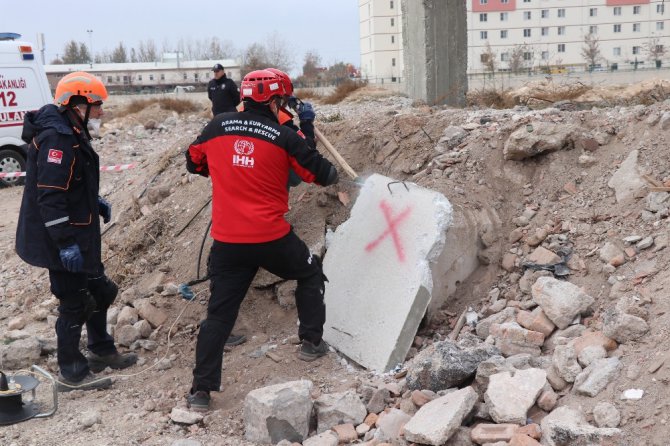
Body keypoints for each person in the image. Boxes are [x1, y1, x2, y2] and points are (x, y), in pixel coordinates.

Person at [184, 69, 338, 410]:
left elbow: (193, 163)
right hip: (271, 237)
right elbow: (325, 175)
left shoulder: (216, 126)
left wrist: (226, 169)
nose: (282, 104)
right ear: (272, 101)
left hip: (227, 241)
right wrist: (305, 128)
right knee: (310, 272)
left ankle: (200, 392)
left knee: (219, 315)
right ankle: (312, 342)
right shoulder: (284, 136)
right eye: (281, 100)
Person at [15, 71, 137, 392]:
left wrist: (92, 200)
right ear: (78, 103)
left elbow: (70, 182)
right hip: (62, 239)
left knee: (102, 292)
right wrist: (65, 244)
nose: (101, 112)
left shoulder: (71, 128)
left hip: (80, 232)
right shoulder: (58, 137)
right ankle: (71, 372)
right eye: (97, 105)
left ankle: (101, 350)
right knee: (75, 302)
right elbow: (51, 196)